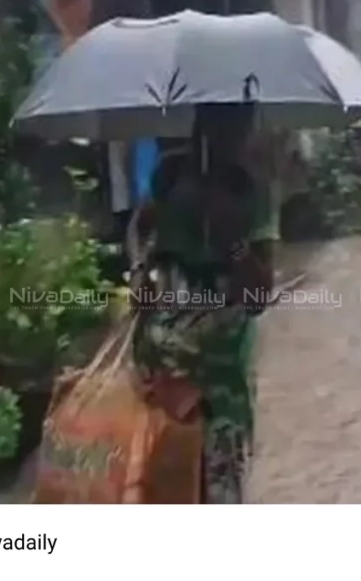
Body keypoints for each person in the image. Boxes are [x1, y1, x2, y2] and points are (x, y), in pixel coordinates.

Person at [128, 103, 280, 503]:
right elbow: (144, 245)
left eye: (239, 122)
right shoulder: (168, 174)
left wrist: (234, 244)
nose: (233, 133)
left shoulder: (251, 189)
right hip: (163, 351)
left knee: (219, 478)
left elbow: (259, 294)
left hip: (222, 363)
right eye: (220, 120)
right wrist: (142, 272)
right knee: (158, 470)